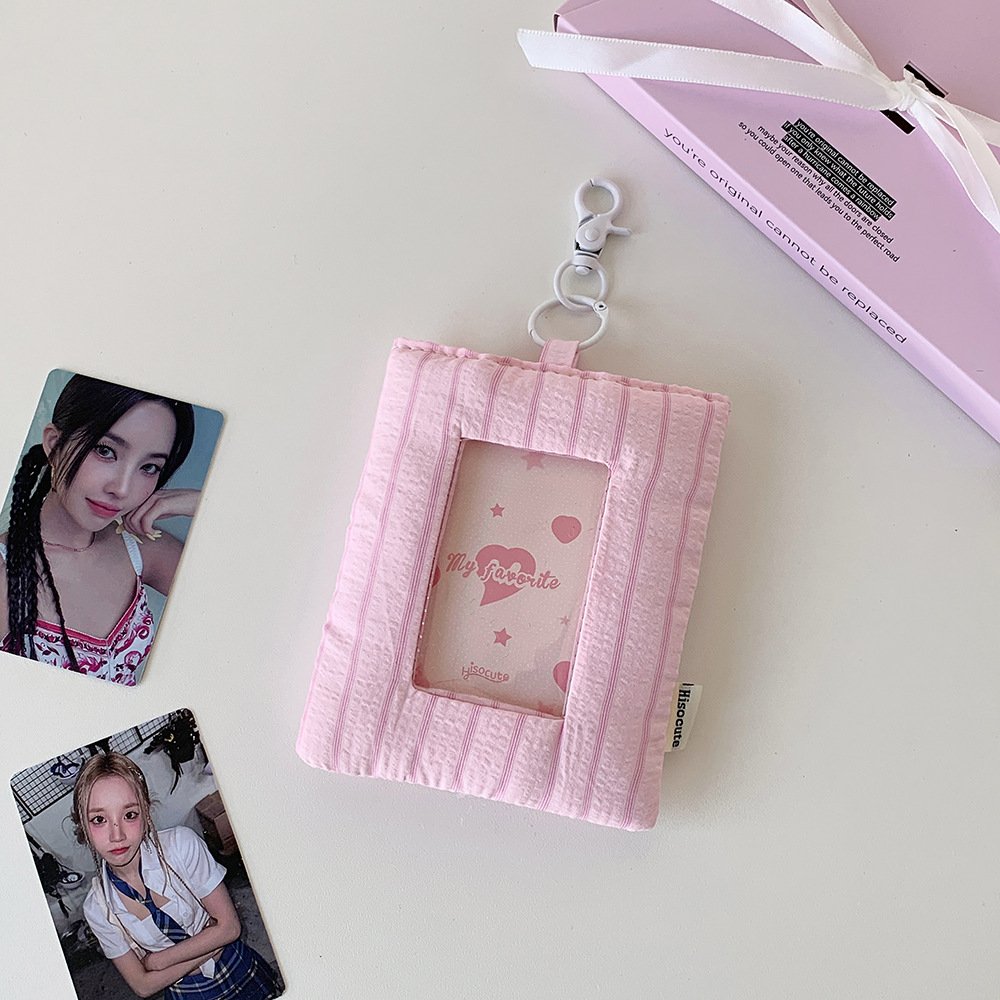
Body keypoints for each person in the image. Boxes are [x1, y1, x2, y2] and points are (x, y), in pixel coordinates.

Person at [0, 374, 200, 684]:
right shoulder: (4, 571)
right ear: (54, 444)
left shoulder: (140, 550)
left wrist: (198, 503)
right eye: (105, 450)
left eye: (149, 467)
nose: (122, 489)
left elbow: (244, 600)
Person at [72, 752, 282, 999]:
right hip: (186, 992)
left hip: (237, 967)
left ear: (146, 812)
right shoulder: (98, 908)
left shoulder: (181, 847)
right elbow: (143, 986)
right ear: (82, 826)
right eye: (99, 819)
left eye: (129, 815)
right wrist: (211, 940)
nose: (116, 835)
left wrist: (158, 962)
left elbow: (231, 928)